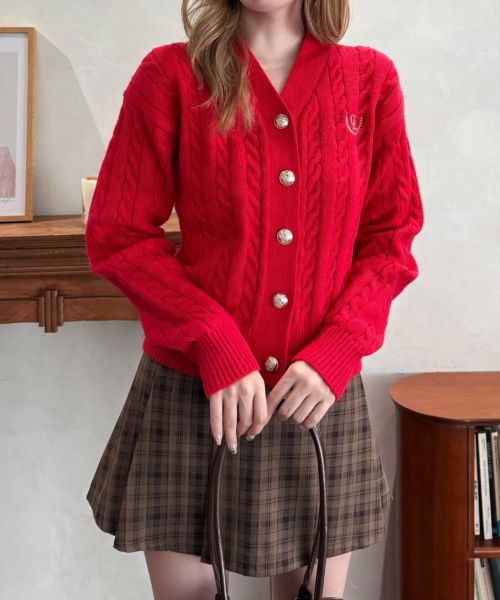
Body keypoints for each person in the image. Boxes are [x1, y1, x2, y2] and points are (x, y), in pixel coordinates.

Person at [85, 0, 424, 598]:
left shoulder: (369, 81)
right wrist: (212, 338)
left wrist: (339, 348)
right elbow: (119, 233)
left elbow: (391, 237)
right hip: (193, 396)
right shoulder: (171, 76)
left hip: (316, 397)